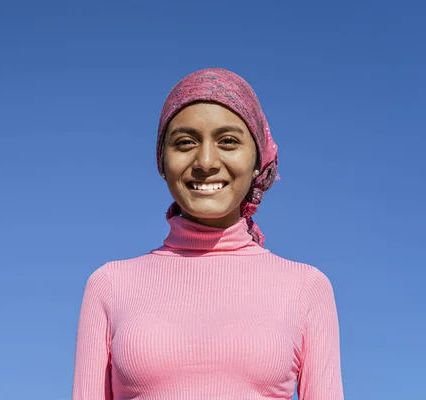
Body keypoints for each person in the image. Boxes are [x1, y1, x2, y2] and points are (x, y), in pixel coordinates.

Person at [72, 68, 343, 400]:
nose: (205, 161)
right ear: (161, 160)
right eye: (185, 142)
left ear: (258, 159)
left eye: (228, 141)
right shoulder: (109, 285)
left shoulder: (306, 289)